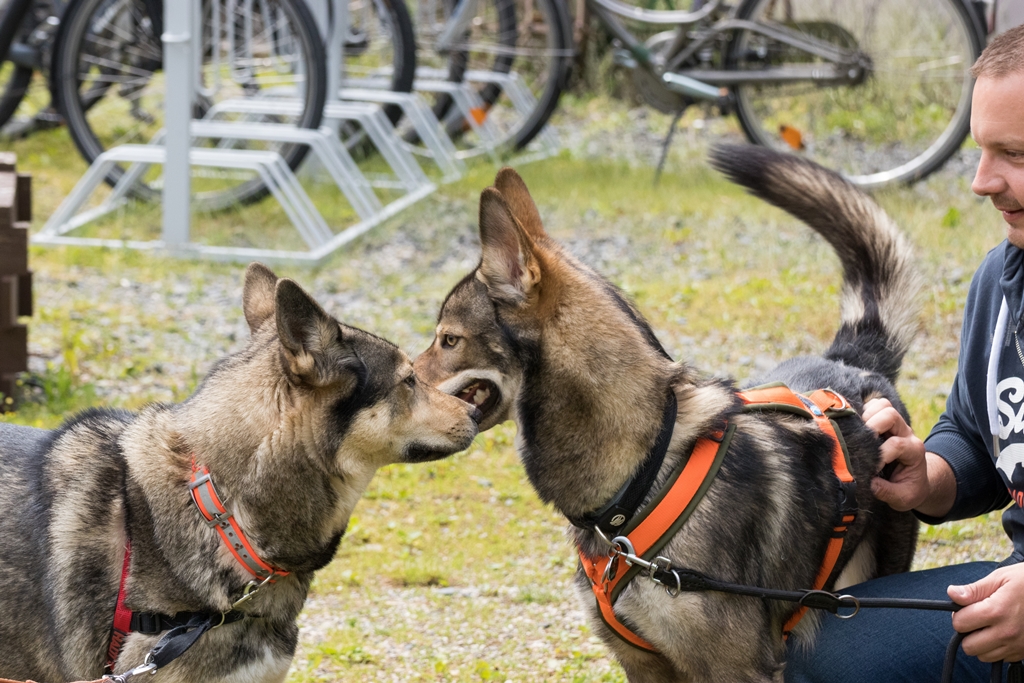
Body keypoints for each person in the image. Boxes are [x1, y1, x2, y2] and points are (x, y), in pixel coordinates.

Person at [785, 23, 1024, 682]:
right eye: (980, 151)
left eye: (1016, 155)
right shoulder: (1000, 282)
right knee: (818, 646)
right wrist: (929, 474)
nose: (982, 181)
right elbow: (975, 433)